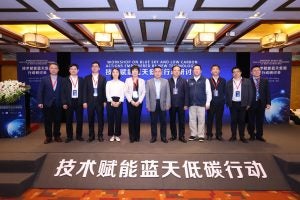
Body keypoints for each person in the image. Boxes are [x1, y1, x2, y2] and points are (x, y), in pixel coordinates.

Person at [37, 62, 63, 144]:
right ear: (49, 69)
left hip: (58, 103)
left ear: (58, 70)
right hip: (47, 103)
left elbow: (64, 92)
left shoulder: (62, 79)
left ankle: (57, 136)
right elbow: (40, 91)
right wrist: (40, 102)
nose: (54, 69)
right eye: (52, 68)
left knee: (57, 120)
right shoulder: (44, 79)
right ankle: (48, 137)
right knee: (47, 121)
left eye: (55, 68)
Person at [226, 66, 253, 143]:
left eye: (237, 71)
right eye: (234, 72)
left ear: (240, 72)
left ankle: (242, 136)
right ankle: (233, 136)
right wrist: (228, 103)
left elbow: (250, 93)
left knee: (242, 121)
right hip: (233, 104)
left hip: (243, 104)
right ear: (232, 74)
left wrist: (249, 103)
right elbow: (227, 94)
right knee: (233, 121)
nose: (236, 73)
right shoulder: (229, 82)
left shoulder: (247, 81)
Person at [146, 66, 171, 143]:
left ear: (161, 72)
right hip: (153, 104)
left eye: (159, 71)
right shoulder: (149, 81)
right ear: (153, 72)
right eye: (156, 71)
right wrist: (147, 105)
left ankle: (163, 137)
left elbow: (168, 94)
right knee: (153, 122)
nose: (157, 73)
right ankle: (154, 137)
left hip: (162, 103)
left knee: (163, 122)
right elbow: (147, 95)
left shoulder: (165, 81)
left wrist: (168, 104)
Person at [187, 64, 212, 142]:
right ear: (192, 71)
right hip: (191, 104)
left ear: (201, 71)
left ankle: (201, 135)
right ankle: (193, 134)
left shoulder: (205, 80)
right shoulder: (189, 80)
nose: (196, 70)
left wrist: (208, 103)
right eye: (195, 69)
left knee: (201, 120)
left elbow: (209, 92)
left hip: (201, 104)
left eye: (198, 69)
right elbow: (187, 93)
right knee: (192, 120)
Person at [83, 61, 106, 142]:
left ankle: (100, 135)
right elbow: (84, 90)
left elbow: (104, 91)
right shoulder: (86, 78)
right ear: (91, 68)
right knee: (90, 119)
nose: (94, 67)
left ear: (99, 68)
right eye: (93, 66)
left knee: (100, 119)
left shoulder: (103, 78)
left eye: (96, 66)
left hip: (100, 102)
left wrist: (105, 101)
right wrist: (84, 101)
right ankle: (91, 136)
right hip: (90, 102)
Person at [247, 65, 271, 142]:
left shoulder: (265, 81)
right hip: (251, 103)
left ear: (260, 72)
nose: (257, 72)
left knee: (260, 120)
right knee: (251, 120)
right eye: (254, 70)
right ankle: (251, 135)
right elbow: (246, 93)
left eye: (258, 70)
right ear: (251, 72)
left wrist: (268, 103)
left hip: (261, 103)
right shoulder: (248, 81)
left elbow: (267, 92)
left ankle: (259, 135)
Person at [61, 64, 84, 143]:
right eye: (71, 69)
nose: (73, 70)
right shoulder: (65, 80)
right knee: (68, 120)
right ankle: (69, 136)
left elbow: (84, 92)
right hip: (68, 102)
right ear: (69, 70)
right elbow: (63, 92)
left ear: (78, 70)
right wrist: (64, 102)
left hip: (79, 101)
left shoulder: (81, 80)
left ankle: (79, 136)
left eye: (75, 69)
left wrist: (84, 101)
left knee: (79, 120)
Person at [124, 65, 146, 143]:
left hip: (139, 102)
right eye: (133, 70)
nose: (135, 72)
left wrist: (139, 101)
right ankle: (132, 137)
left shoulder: (142, 81)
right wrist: (131, 101)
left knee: (137, 119)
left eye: (136, 70)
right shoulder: (127, 80)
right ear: (131, 72)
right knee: (131, 119)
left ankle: (137, 136)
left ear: (138, 72)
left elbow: (143, 92)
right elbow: (125, 91)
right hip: (130, 102)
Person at [168, 65, 188, 143]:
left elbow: (186, 93)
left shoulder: (184, 81)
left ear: (180, 72)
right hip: (171, 105)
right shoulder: (168, 81)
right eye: (175, 70)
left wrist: (186, 104)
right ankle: (173, 135)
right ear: (172, 71)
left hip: (181, 105)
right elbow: (167, 93)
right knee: (172, 121)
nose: (176, 71)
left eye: (178, 70)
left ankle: (181, 136)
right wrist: (167, 103)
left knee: (181, 121)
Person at [206, 65, 226, 141]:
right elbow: (206, 92)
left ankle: (219, 135)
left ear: (219, 71)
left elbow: (224, 92)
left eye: (217, 69)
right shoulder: (208, 80)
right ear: (211, 71)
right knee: (209, 120)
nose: (215, 70)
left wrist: (223, 100)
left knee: (219, 120)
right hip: (211, 103)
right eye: (213, 69)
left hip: (220, 103)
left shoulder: (223, 80)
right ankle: (209, 135)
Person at [106, 67, 125, 142]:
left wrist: (119, 102)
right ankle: (111, 135)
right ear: (111, 73)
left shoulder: (122, 83)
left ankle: (116, 135)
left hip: (119, 101)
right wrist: (111, 101)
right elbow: (107, 93)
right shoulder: (108, 83)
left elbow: (123, 94)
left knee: (118, 119)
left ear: (119, 73)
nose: (115, 73)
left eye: (117, 72)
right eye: (113, 72)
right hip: (110, 101)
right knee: (110, 119)